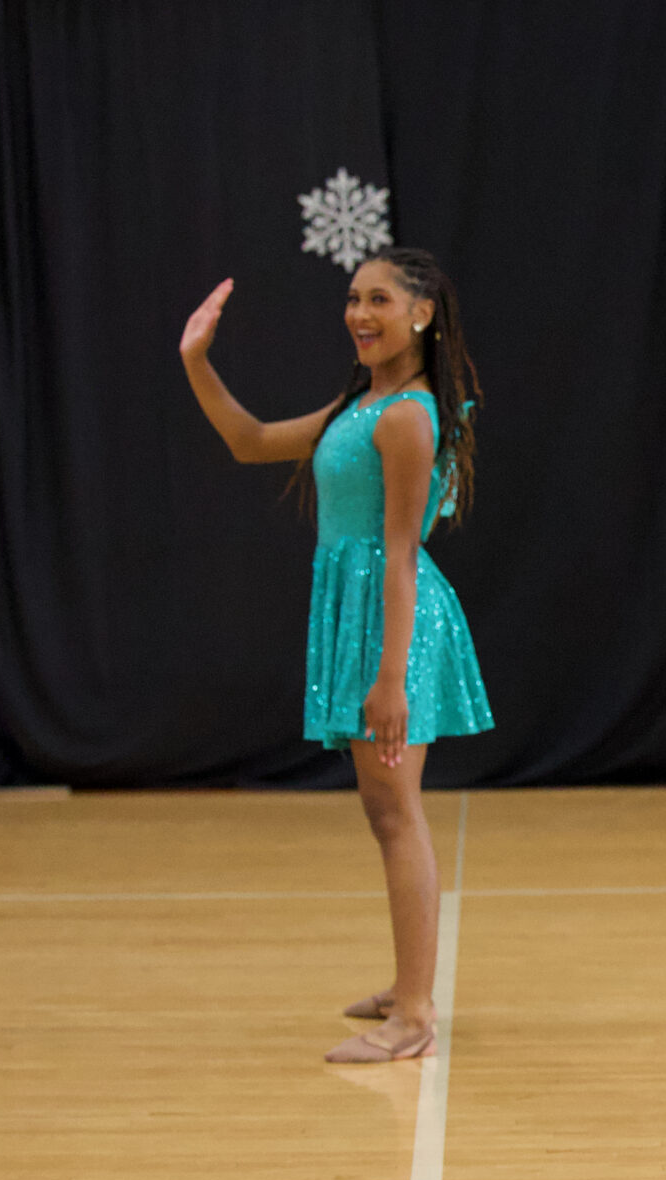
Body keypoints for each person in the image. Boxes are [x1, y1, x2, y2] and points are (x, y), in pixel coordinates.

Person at [178, 247, 493, 1062]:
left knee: (395, 811)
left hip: (392, 621)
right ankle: (408, 981)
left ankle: (414, 1013)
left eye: (378, 299)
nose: (359, 314)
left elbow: (400, 551)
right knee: (386, 809)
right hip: (363, 615)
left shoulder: (408, 416)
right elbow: (249, 440)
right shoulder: (363, 405)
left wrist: (390, 677)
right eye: (353, 298)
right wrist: (196, 359)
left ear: (420, 313)